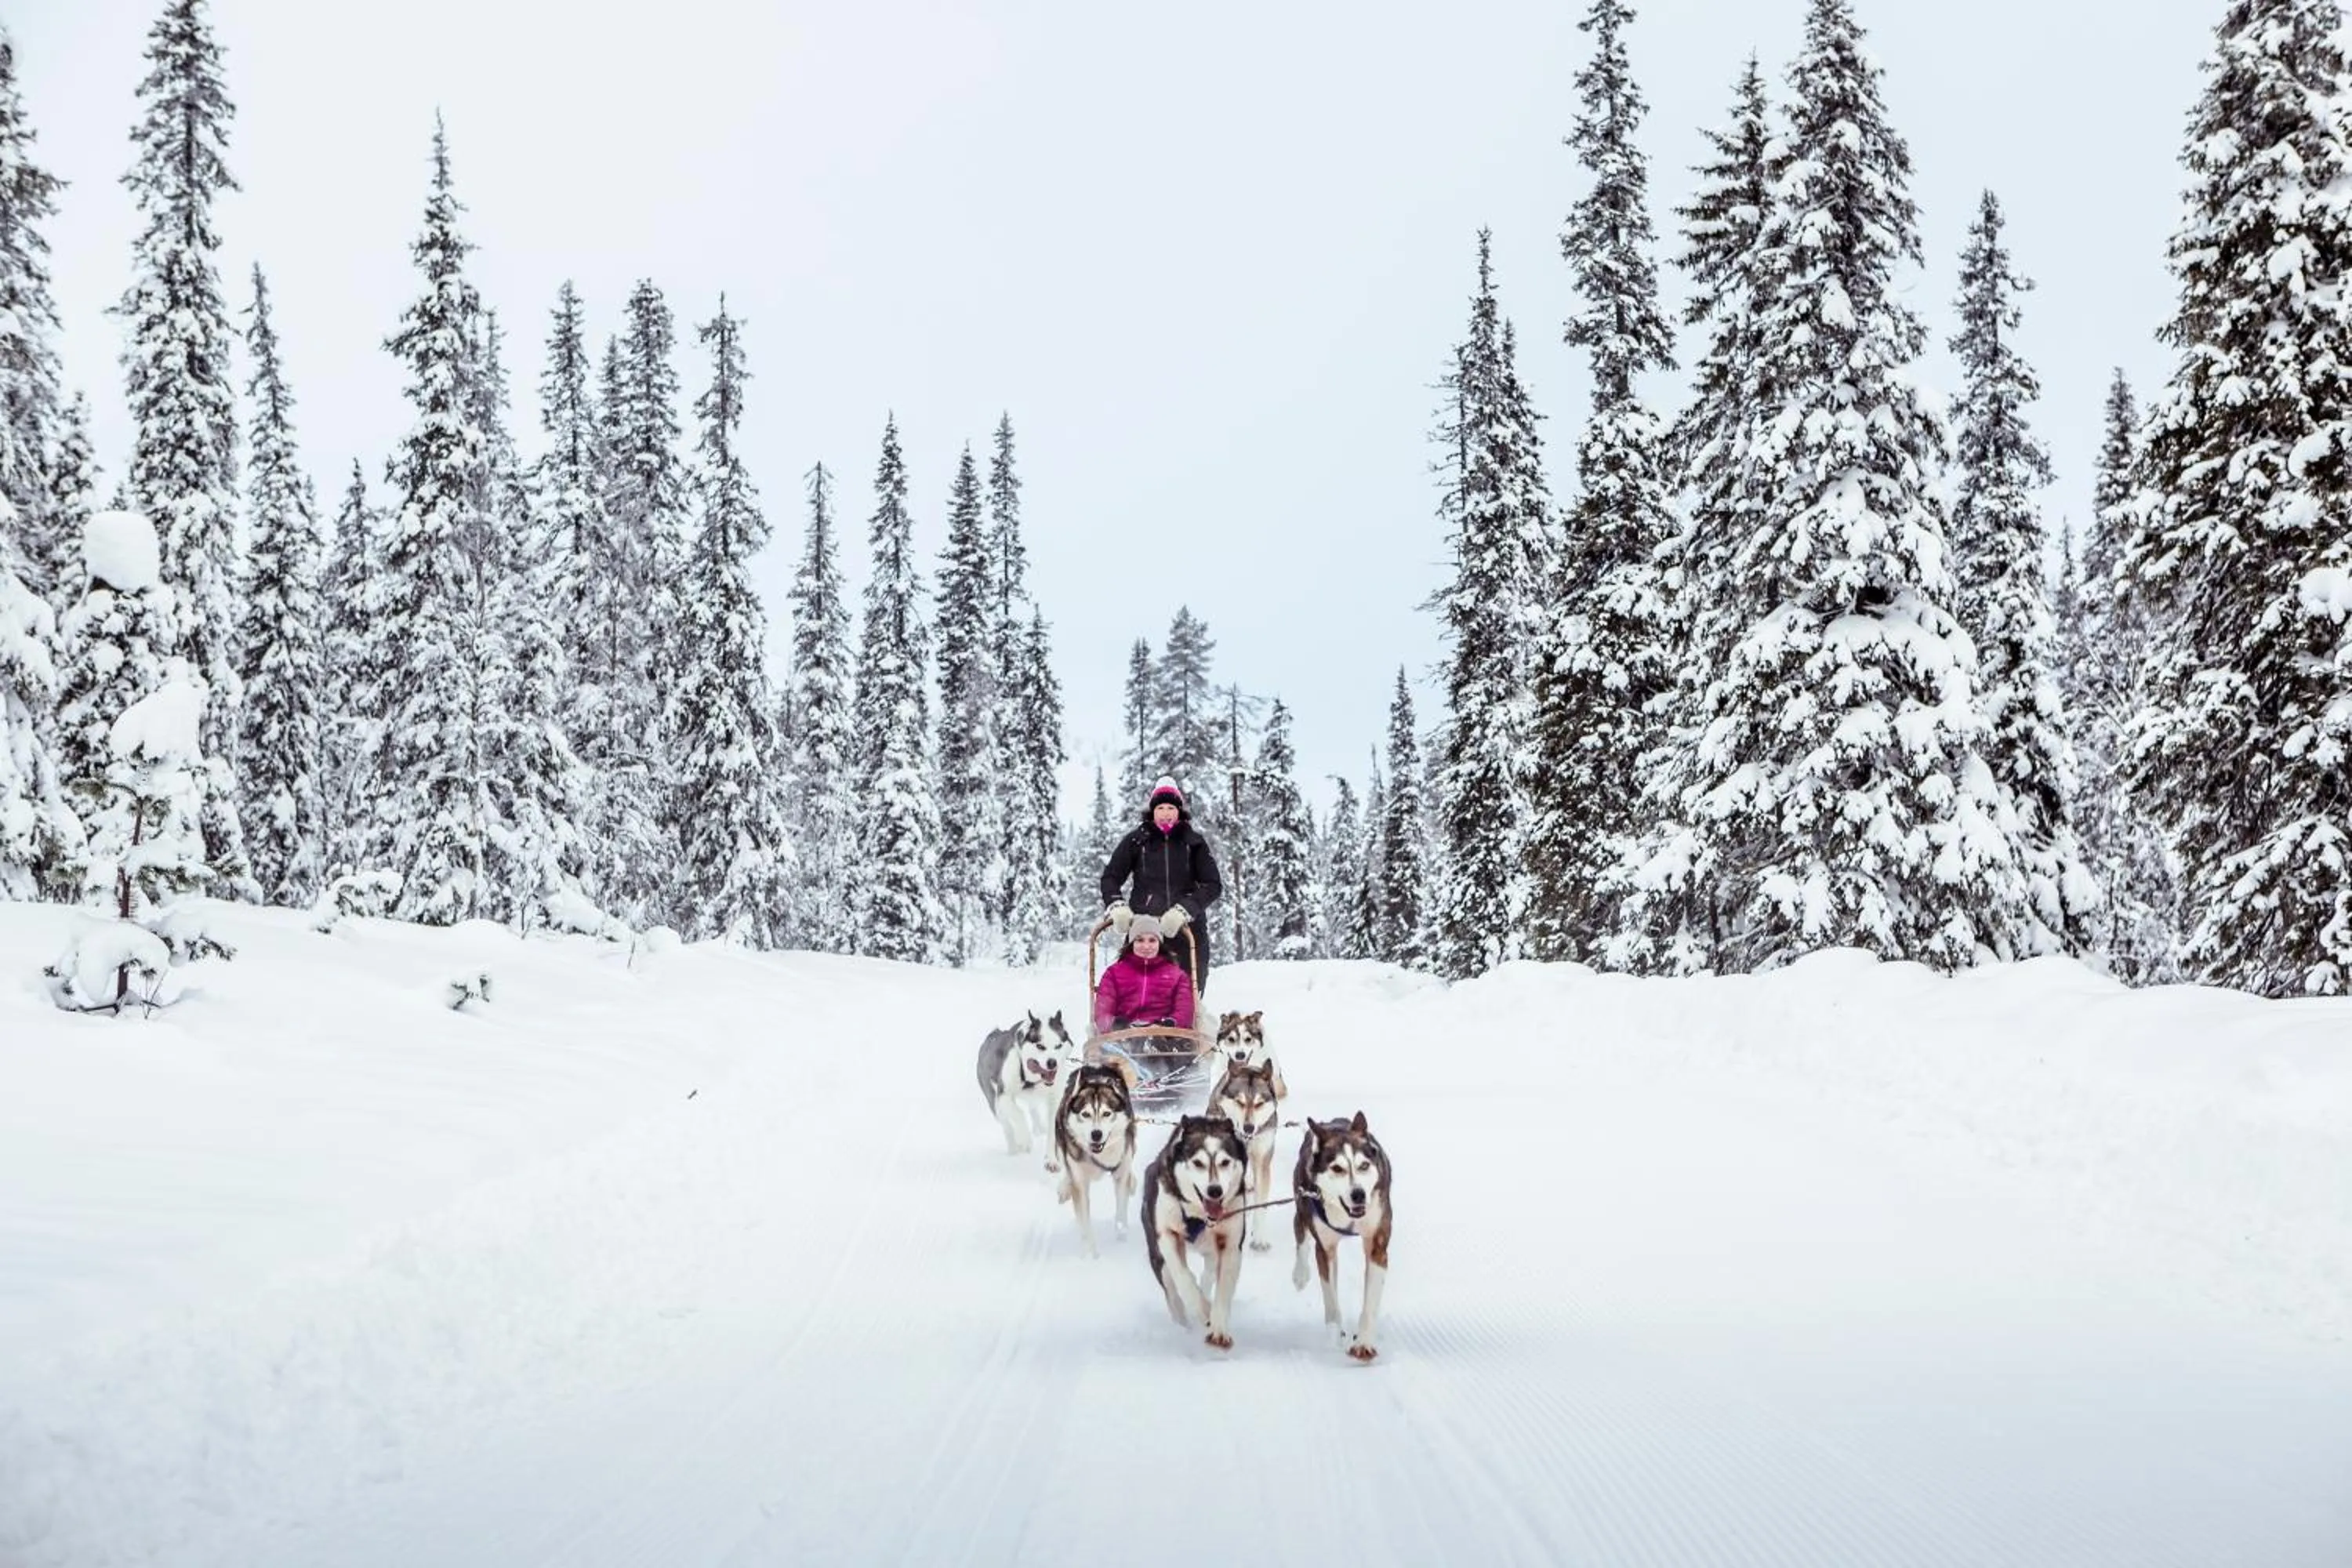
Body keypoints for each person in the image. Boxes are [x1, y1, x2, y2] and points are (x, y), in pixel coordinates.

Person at [1100, 775, 1222, 994]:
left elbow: (1213, 885)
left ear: (1179, 811)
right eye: (1161, 808)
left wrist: (1184, 910)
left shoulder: (1194, 843)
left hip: (1187, 932)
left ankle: (1187, 1025)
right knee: (1138, 994)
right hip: (1145, 931)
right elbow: (1110, 877)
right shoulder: (1137, 841)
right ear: (1152, 811)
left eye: (1171, 808)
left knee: (1187, 995)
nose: (1166, 813)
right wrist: (1116, 905)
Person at [1092, 913, 1197, 1035]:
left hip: (1164, 1036)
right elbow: (1102, 1011)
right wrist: (1114, 1023)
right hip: (1123, 1035)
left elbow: (1185, 1010)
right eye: (1140, 940)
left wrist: (1171, 1023)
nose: (1146, 946)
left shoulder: (1177, 976)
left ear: (1159, 943)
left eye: (1152, 940)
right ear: (1132, 943)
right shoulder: (1114, 973)